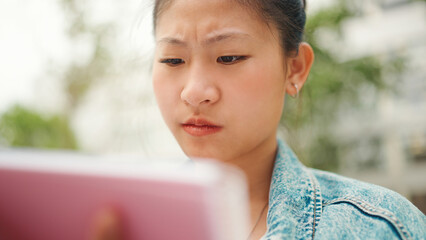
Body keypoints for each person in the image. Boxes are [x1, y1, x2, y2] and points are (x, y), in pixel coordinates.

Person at [95, 0, 426, 239]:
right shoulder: (125, 222)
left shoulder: (380, 227)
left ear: (295, 68)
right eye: (172, 59)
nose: (194, 92)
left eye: (228, 57)